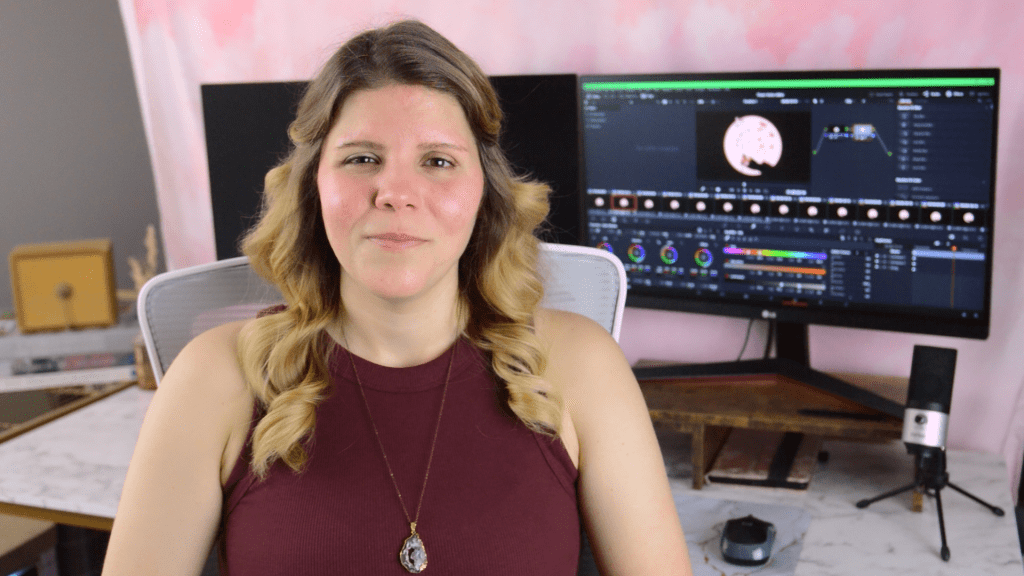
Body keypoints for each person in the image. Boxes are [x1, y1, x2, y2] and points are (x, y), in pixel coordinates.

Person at [102, 20, 693, 576]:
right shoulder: (213, 376)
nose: (396, 193)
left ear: (484, 193)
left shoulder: (583, 366)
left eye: (438, 161)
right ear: (313, 186)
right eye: (362, 158)